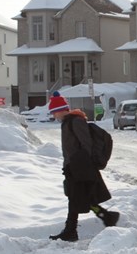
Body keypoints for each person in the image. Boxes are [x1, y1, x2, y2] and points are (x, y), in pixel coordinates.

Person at [48, 91, 119, 242]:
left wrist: (79, 164)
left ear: (61, 110)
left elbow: (86, 144)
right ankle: (107, 217)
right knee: (82, 198)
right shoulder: (67, 123)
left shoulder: (75, 122)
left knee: (76, 199)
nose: (54, 116)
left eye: (54, 112)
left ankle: (71, 231)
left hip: (80, 168)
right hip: (73, 167)